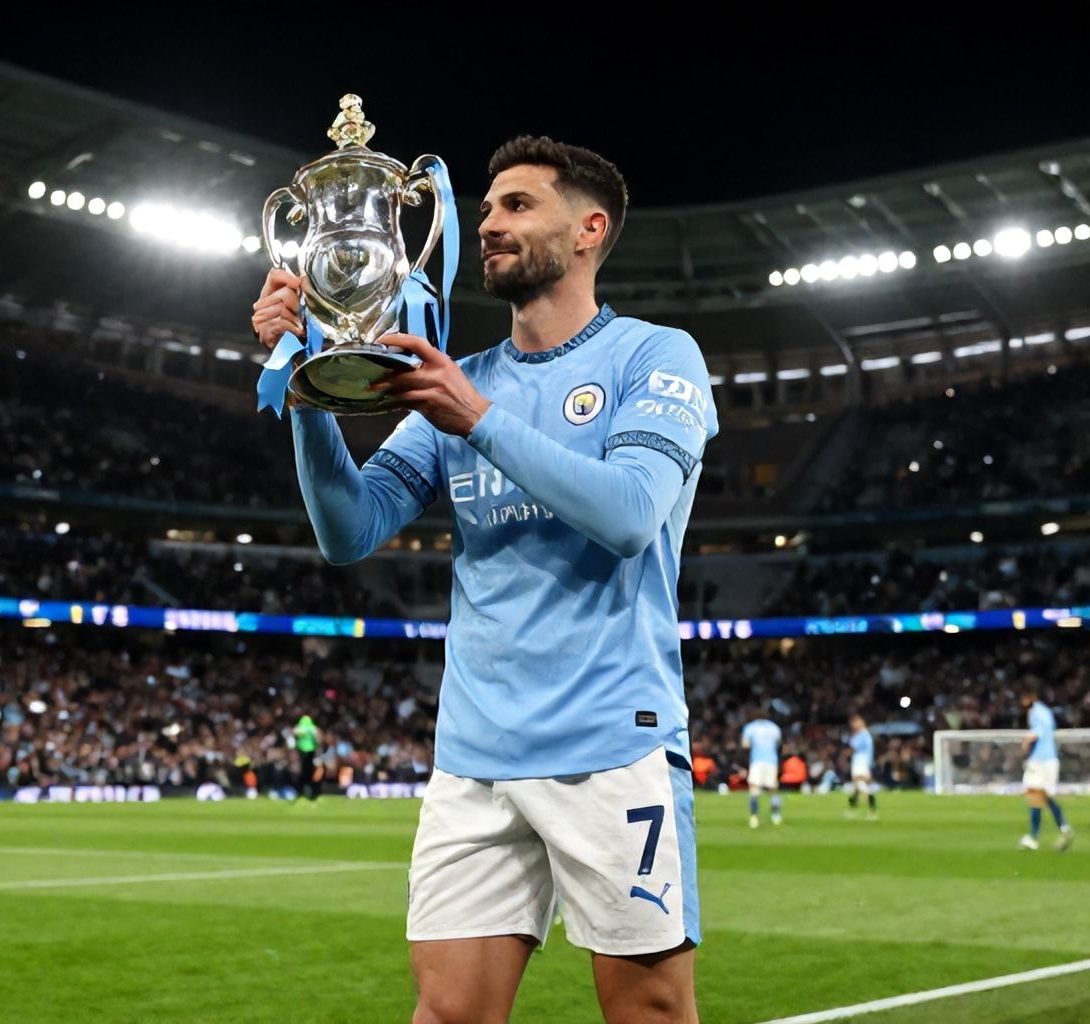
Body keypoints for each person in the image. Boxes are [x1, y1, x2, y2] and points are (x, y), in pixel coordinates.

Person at [252, 135, 716, 1023]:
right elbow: (350, 531)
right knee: (448, 1015)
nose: (490, 225)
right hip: (475, 754)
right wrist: (309, 394)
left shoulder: (654, 357)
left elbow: (628, 514)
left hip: (610, 743)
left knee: (650, 1010)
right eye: (486, 209)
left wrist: (477, 417)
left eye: (516, 206)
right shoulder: (456, 384)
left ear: (589, 229)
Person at [1019, 689, 1071, 851]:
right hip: (1051, 760)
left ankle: (1033, 838)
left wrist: (1025, 743)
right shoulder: (1046, 711)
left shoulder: (1035, 712)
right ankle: (1064, 828)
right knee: (1045, 796)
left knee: (1034, 794)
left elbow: (1037, 733)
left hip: (1040, 760)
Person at [740, 712, 783, 829]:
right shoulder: (775, 728)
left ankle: (754, 817)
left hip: (757, 761)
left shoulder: (750, 727)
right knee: (773, 789)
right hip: (771, 761)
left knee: (754, 789)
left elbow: (745, 744)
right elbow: (779, 744)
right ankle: (776, 815)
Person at [845, 715, 877, 821]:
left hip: (860, 762)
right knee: (856, 788)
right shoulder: (866, 734)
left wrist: (843, 755)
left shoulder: (862, 735)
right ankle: (852, 810)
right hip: (863, 762)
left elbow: (852, 747)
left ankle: (872, 810)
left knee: (860, 786)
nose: (853, 725)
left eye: (854, 722)